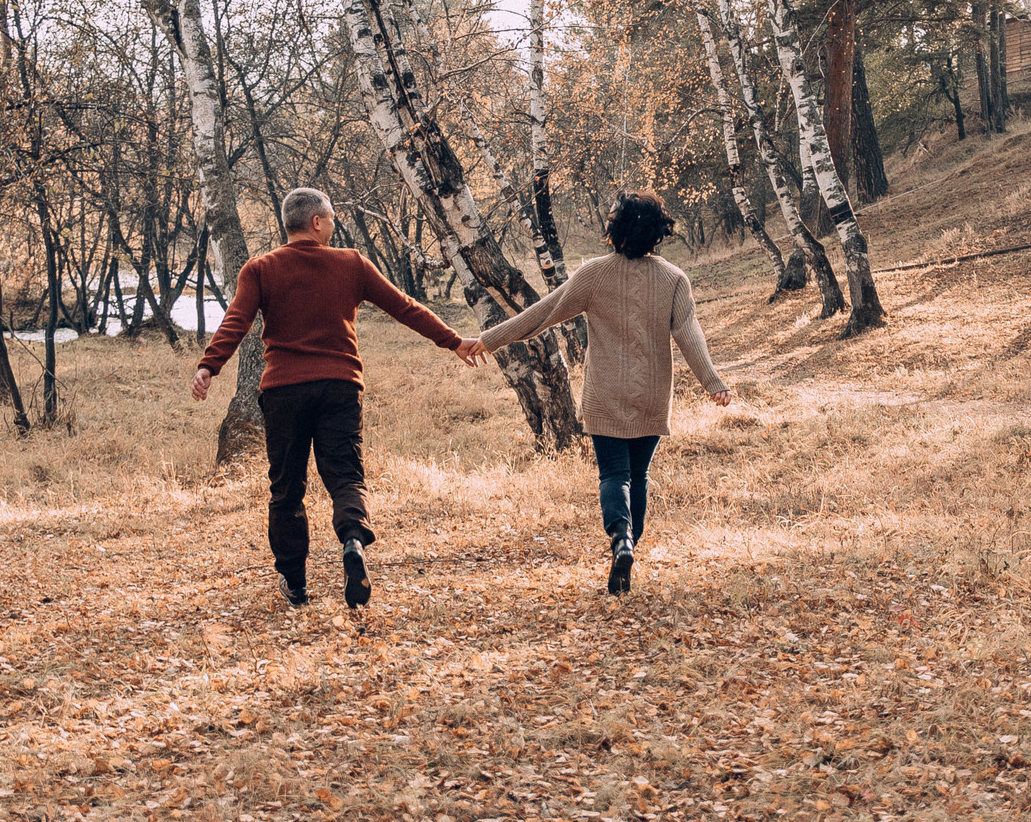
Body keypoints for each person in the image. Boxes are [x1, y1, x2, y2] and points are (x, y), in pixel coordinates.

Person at [194, 187, 483, 610]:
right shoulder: (351, 263)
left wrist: (209, 366)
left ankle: (295, 585)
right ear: (316, 223)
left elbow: (235, 321)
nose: (334, 224)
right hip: (340, 387)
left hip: (283, 393)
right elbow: (404, 307)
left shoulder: (260, 269)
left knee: (287, 489)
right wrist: (453, 340)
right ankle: (352, 541)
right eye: (330, 218)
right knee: (346, 477)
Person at [461, 191, 732, 595]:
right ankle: (629, 549)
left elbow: (543, 313)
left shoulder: (594, 274)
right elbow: (690, 336)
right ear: (658, 233)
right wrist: (714, 383)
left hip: (605, 393)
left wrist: (489, 338)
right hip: (653, 393)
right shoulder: (675, 279)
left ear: (615, 230)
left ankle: (620, 537)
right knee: (637, 476)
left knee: (613, 474)